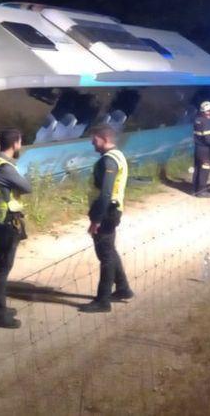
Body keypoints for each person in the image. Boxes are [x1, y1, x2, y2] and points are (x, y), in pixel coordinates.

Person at [78, 124, 134, 313]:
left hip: (107, 212)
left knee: (105, 256)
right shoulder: (118, 155)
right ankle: (123, 289)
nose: (92, 143)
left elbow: (105, 193)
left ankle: (103, 301)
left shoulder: (108, 161)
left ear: (104, 139)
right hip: (113, 210)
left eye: (94, 139)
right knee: (110, 250)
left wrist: (96, 220)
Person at [0, 129, 31, 329]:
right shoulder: (5, 168)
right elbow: (27, 187)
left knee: (1, 267)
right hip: (6, 221)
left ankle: (0, 308)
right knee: (1, 269)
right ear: (16, 143)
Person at [191, 101, 210, 198]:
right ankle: (201, 191)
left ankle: (194, 189)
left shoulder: (197, 120)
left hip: (197, 148)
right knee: (205, 169)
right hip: (205, 149)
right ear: (208, 111)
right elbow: (208, 139)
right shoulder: (206, 122)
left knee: (197, 168)